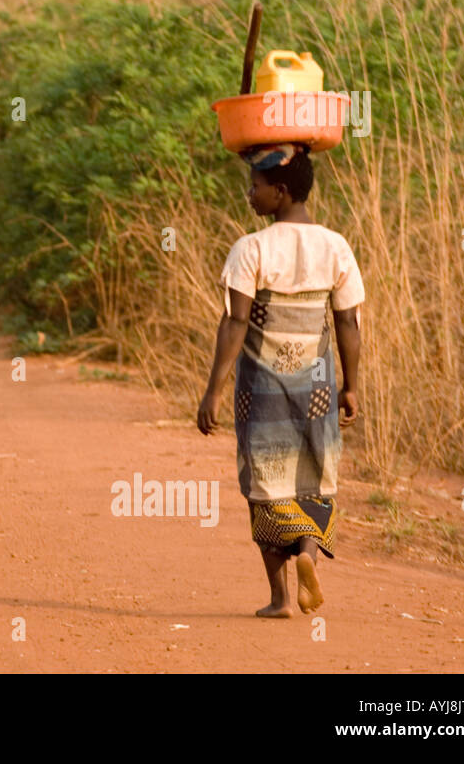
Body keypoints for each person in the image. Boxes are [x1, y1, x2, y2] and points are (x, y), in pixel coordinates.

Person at [197, 144, 363, 618]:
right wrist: (352, 386)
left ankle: (281, 599)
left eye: (256, 186)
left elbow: (234, 323)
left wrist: (213, 389)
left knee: (265, 486)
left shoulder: (252, 248)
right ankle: (309, 556)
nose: (250, 194)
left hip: (263, 391)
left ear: (281, 191)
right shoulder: (336, 246)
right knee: (311, 477)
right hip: (317, 387)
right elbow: (348, 322)